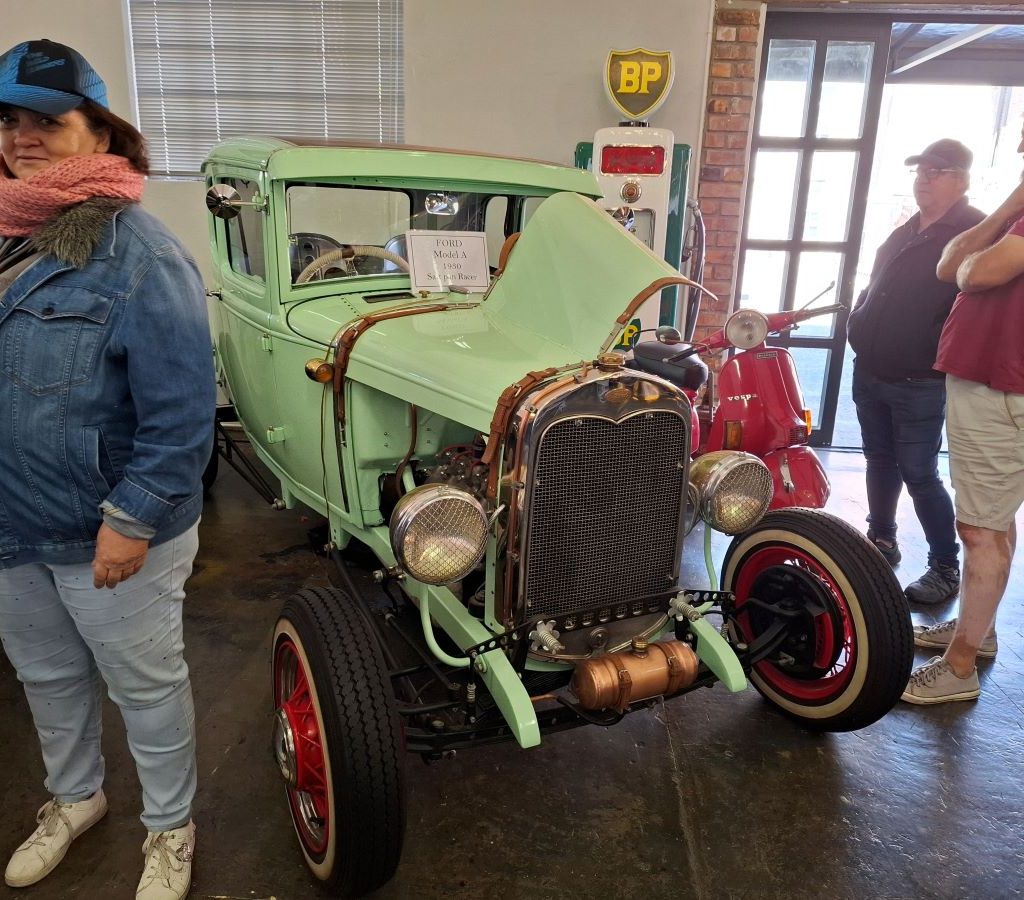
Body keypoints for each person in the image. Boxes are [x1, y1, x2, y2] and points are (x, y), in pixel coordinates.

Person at [0, 39, 214, 897]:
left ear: (101, 133)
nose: (22, 136)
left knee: (145, 687)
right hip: (13, 527)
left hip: (109, 533)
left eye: (46, 120)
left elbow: (181, 416)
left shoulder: (142, 256)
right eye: (9, 120)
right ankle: (75, 799)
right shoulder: (10, 234)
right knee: (47, 678)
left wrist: (131, 523)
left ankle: (170, 828)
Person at [902, 124, 1024, 704]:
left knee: (978, 530)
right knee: (994, 519)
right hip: (995, 385)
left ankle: (958, 668)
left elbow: (973, 272)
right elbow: (951, 264)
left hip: (1002, 388)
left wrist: (1010, 207)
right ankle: (982, 630)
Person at [847, 139, 984, 605]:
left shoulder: (974, 230)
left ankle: (945, 566)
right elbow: (874, 284)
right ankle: (881, 540)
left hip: (919, 379)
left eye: (937, 170)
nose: (923, 177)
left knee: (920, 472)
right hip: (873, 369)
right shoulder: (908, 229)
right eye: (920, 169)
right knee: (879, 460)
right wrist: (859, 321)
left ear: (962, 180)